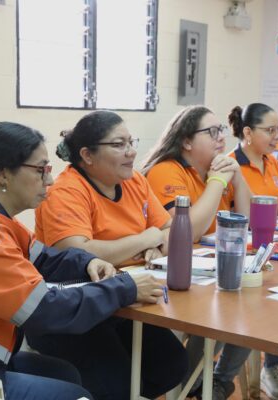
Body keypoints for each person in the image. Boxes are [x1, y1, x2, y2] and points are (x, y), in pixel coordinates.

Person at [0, 122, 167, 400]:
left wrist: (86, 263)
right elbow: (44, 310)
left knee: (66, 374)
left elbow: (43, 257)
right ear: (3, 175)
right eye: (40, 170)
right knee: (77, 393)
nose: (50, 180)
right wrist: (125, 287)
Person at [27, 110, 188, 399]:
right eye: (118, 144)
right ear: (87, 155)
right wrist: (145, 239)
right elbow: (78, 251)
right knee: (116, 386)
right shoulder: (65, 190)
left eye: (131, 142)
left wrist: (152, 245)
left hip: (124, 300)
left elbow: (169, 229)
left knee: (171, 366)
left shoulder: (134, 181)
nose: (131, 152)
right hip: (73, 307)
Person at [142, 105, 252, 400]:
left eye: (221, 131)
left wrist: (237, 177)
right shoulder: (167, 170)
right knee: (226, 309)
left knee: (251, 302)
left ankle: (216, 381)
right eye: (212, 132)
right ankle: (188, 384)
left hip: (206, 272)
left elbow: (247, 222)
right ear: (187, 141)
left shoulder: (214, 170)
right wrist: (218, 181)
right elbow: (187, 232)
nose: (221, 138)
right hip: (172, 278)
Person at [228, 103, 278, 400]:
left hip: (274, 246)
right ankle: (273, 367)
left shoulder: (272, 162)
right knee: (272, 294)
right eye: (270, 130)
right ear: (247, 132)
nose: (277, 136)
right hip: (245, 253)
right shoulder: (231, 164)